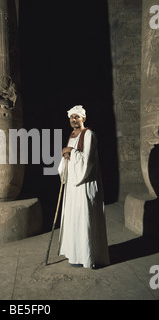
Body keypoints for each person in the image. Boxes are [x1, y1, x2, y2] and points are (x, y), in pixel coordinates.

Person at [57, 105, 110, 268]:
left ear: (83, 119)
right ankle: (75, 254)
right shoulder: (72, 135)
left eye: (77, 117)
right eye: (71, 117)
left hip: (85, 182)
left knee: (84, 218)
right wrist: (67, 153)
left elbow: (87, 161)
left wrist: (70, 151)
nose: (74, 119)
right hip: (73, 185)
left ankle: (87, 256)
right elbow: (68, 159)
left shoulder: (89, 135)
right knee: (74, 218)